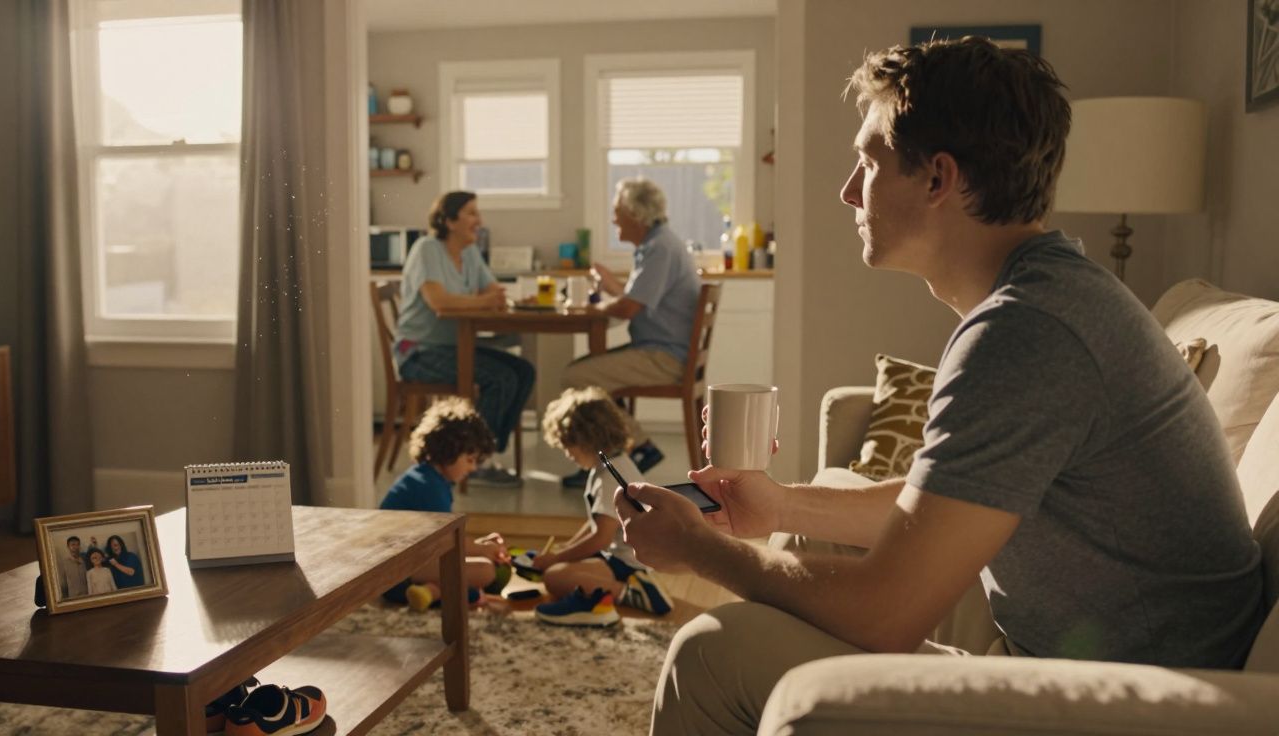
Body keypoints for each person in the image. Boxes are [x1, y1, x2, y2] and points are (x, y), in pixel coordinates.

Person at [613, 37, 1264, 734]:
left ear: (937, 180)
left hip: (1138, 701)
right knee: (807, 542)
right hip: (1080, 662)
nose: (847, 190)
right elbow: (947, 501)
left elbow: (886, 613)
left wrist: (698, 548)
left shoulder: (1028, 333)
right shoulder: (1045, 297)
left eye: (868, 162)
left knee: (709, 654)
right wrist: (777, 508)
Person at [560, 177, 701, 488]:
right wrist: (612, 287)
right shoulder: (658, 244)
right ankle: (615, 454)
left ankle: (637, 446)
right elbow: (636, 299)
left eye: (617, 211)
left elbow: (627, 309)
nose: (614, 219)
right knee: (589, 374)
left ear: (636, 214)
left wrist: (592, 307)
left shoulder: (659, 248)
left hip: (663, 356)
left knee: (577, 377)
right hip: (663, 349)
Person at [396, 190, 535, 488]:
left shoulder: (470, 252)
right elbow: (438, 301)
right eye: (471, 213)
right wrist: (479, 300)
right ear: (449, 220)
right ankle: (479, 460)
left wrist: (477, 299)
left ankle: (485, 452)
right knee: (500, 379)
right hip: (419, 353)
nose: (479, 220)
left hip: (454, 347)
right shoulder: (427, 249)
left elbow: (494, 293)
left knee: (524, 371)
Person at [531, 387, 674, 627]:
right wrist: (566, 548)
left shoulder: (609, 477)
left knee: (555, 578)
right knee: (562, 569)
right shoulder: (612, 464)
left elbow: (601, 538)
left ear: (587, 439)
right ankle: (611, 591)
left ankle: (631, 591)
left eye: (568, 445)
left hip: (626, 564)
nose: (567, 454)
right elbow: (597, 522)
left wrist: (556, 559)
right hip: (622, 559)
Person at [379, 396, 512, 612]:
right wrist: (481, 550)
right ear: (450, 449)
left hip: (405, 567)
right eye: (469, 460)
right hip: (396, 574)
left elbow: (441, 540)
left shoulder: (427, 478)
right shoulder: (429, 486)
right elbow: (446, 541)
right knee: (485, 571)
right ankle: (457, 593)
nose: (472, 469)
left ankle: (433, 591)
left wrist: (480, 546)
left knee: (478, 566)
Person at [57, 535, 88, 600]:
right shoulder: (64, 563)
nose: (76, 547)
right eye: (73, 545)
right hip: (73, 598)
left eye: (77, 544)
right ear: (68, 547)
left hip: (88, 595)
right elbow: (63, 583)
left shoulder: (85, 560)